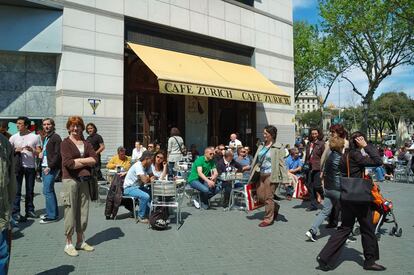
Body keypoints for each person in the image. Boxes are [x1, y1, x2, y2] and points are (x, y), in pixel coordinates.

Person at [317, 132, 385, 271]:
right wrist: (367, 146)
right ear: (359, 141)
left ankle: (325, 257)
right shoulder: (356, 155)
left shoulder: (345, 155)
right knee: (367, 229)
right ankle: (369, 261)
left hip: (346, 196)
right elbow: (378, 161)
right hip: (359, 198)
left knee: (344, 228)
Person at [61, 116, 98, 257]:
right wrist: (86, 161)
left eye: (78, 126)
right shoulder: (65, 143)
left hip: (84, 180)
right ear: (69, 127)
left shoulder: (86, 143)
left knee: (83, 210)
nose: (75, 128)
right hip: (70, 180)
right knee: (70, 210)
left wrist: (79, 160)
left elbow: (94, 159)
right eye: (72, 126)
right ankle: (68, 243)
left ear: (82, 127)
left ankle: (80, 241)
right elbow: (69, 164)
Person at [305, 136, 344, 242]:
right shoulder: (341, 157)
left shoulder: (329, 157)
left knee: (324, 211)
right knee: (348, 210)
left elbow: (325, 171)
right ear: (341, 146)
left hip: (328, 188)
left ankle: (312, 230)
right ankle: (347, 234)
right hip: (338, 189)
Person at [250, 125, 289, 227]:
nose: (264, 135)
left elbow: (282, 164)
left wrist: (285, 179)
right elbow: (257, 160)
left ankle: (268, 219)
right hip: (261, 173)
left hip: (272, 175)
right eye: (264, 133)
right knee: (260, 196)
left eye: (266, 134)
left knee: (268, 197)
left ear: (272, 135)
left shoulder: (278, 147)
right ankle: (274, 206)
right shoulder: (261, 145)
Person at [9, 116, 42, 221]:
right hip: (17, 167)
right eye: (17, 123)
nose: (17, 125)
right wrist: (15, 150)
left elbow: (39, 153)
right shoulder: (13, 137)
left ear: (26, 125)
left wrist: (32, 150)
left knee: (30, 190)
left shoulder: (35, 137)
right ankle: (16, 212)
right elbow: (9, 152)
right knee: (17, 191)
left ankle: (30, 210)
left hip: (30, 167)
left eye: (20, 123)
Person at [38, 118, 62, 224]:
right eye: (44, 124)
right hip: (44, 166)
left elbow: (58, 154)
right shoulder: (47, 137)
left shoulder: (56, 137)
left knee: (48, 191)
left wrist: (50, 166)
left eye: (48, 124)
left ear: (53, 125)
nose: (46, 126)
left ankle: (53, 216)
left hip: (50, 168)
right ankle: (50, 212)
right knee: (46, 191)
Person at [123, 151, 155, 223]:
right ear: (147, 159)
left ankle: (147, 212)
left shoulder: (148, 166)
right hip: (129, 188)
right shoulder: (138, 165)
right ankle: (141, 216)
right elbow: (145, 180)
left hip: (138, 187)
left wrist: (148, 178)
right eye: (151, 160)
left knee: (152, 193)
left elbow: (152, 176)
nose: (152, 162)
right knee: (145, 196)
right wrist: (148, 178)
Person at [0, 133, 16, 274]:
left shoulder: (5, 143)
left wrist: (10, 210)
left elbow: (11, 180)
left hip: (2, 213)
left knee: (3, 254)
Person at [304, 128, 325, 211]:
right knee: (310, 186)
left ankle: (325, 198)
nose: (314, 135)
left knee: (317, 186)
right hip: (309, 167)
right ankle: (313, 204)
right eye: (312, 134)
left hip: (317, 168)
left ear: (319, 134)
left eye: (316, 134)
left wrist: (323, 170)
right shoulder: (309, 143)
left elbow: (324, 157)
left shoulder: (322, 144)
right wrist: (305, 165)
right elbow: (307, 156)